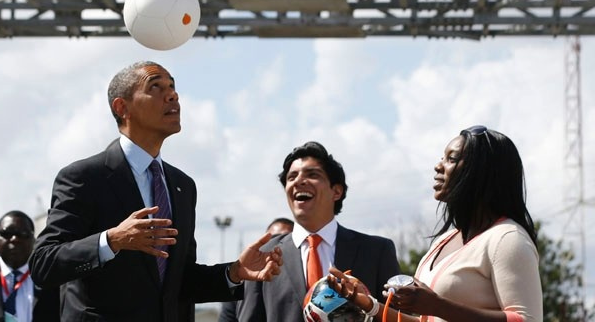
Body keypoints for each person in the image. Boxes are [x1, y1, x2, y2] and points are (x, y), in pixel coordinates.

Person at [28, 61, 282, 322]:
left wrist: (234, 272)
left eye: (172, 86)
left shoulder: (183, 185)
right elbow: (43, 264)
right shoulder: (84, 178)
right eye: (156, 87)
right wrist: (112, 240)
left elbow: (180, 281)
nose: (173, 95)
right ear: (122, 107)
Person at [327, 126, 543, 322]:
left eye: (452, 159)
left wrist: (438, 306)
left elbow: (527, 320)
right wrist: (367, 304)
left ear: (482, 171)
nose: (438, 166)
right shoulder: (444, 241)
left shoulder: (507, 239)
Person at [237, 141, 401, 321]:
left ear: (336, 191)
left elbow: (395, 317)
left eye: (312, 174)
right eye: (292, 177)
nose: (299, 181)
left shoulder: (376, 251)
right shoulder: (264, 255)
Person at [218, 217, 294, 322]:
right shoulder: (241, 284)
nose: (277, 247)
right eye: (272, 240)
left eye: (285, 240)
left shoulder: (301, 282)